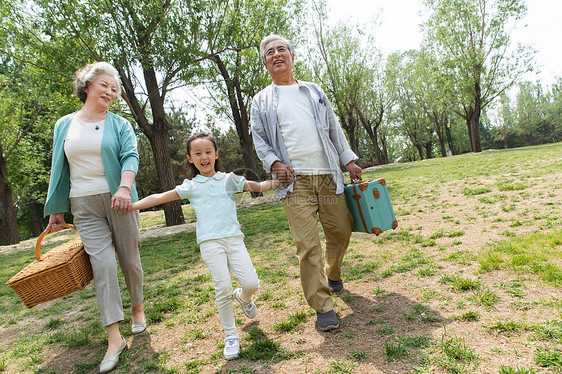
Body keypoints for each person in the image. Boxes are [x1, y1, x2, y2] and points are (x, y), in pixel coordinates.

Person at [127, 132, 281, 360]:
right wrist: (133, 206)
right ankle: (231, 335)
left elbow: (258, 185)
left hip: (234, 239)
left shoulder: (229, 179)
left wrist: (279, 181)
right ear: (190, 159)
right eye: (197, 153)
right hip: (210, 244)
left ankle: (244, 298)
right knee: (222, 288)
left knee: (251, 282)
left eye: (208, 152)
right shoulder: (191, 186)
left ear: (216, 154)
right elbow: (159, 197)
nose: (204, 157)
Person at [250, 34, 362, 331]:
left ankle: (333, 272)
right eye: (270, 52)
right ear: (265, 63)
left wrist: (347, 160)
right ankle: (323, 307)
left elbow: (334, 128)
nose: (277, 54)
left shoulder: (313, 91)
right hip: (293, 183)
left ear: (292, 56)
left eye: (282, 49)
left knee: (341, 230)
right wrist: (274, 164)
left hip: (327, 175)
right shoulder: (261, 100)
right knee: (307, 246)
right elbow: (260, 140)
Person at [44, 62, 145, 374]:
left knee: (129, 260)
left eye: (114, 89)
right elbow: (59, 168)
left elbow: (130, 156)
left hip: (119, 199)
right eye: (105, 85)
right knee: (103, 265)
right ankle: (113, 338)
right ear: (87, 85)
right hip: (83, 203)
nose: (110, 92)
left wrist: (125, 188)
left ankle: (138, 309)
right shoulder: (65, 125)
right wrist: (56, 210)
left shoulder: (120, 124)